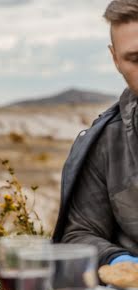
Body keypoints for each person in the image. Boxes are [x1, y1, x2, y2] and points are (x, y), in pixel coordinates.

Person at [53, 0, 138, 268]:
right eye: (135, 59)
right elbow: (78, 235)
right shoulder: (105, 142)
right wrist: (120, 262)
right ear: (115, 59)